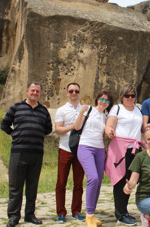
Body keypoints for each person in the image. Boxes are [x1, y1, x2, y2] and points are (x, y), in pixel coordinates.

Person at [1, 82, 52, 227]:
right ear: (27, 91)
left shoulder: (43, 110)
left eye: (37, 91)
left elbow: (48, 129)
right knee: (15, 187)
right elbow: (4, 124)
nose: (35, 93)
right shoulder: (16, 107)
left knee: (32, 186)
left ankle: (30, 214)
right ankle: (13, 216)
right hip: (19, 152)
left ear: (40, 93)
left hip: (36, 153)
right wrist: (15, 135)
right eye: (33, 90)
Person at [105, 84, 146, 226]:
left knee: (131, 179)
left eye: (132, 95)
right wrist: (110, 131)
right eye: (126, 95)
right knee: (120, 180)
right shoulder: (117, 109)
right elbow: (109, 125)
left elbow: (141, 128)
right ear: (122, 96)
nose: (129, 98)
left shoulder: (138, 110)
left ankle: (125, 211)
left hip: (135, 149)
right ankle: (120, 213)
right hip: (120, 147)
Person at [75, 90, 114, 227]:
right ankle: (89, 215)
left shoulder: (106, 117)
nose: (104, 102)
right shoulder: (89, 110)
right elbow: (77, 127)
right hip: (85, 146)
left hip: (99, 149)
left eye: (107, 100)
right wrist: (81, 112)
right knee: (93, 178)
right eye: (102, 99)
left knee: (98, 181)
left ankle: (91, 214)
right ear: (97, 99)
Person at [54, 83, 85, 223]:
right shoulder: (62, 110)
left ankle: (76, 211)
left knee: (78, 183)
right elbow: (58, 130)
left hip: (80, 149)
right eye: (71, 91)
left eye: (76, 91)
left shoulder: (84, 109)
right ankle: (61, 212)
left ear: (79, 93)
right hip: (65, 148)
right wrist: (73, 126)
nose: (74, 93)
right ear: (67, 93)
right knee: (61, 182)